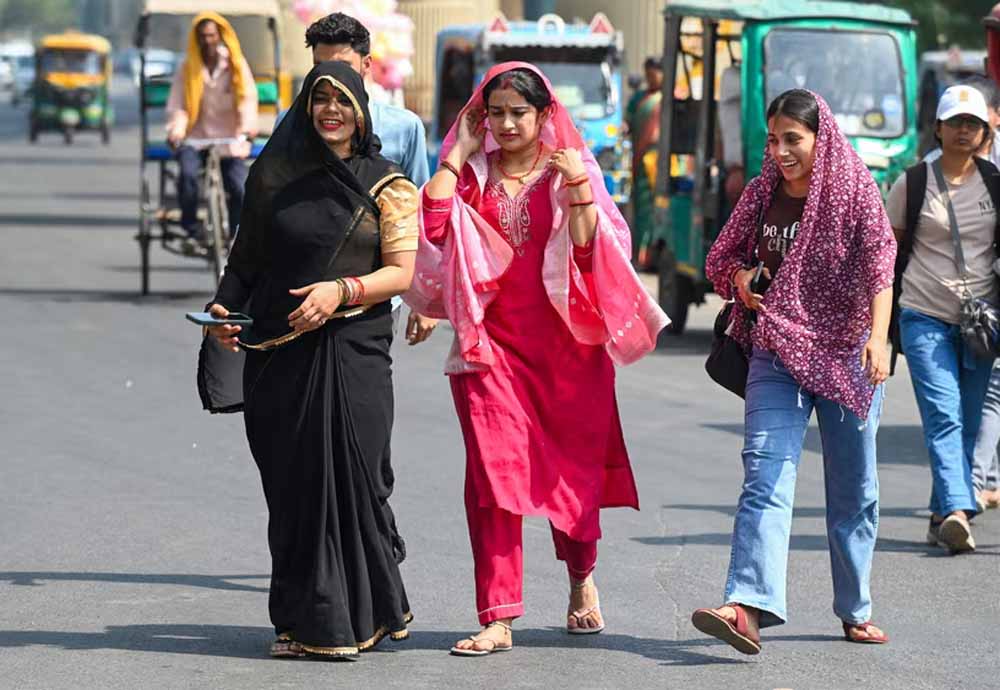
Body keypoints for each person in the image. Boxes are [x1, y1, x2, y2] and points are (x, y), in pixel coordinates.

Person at [406, 62, 668, 656]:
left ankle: (581, 575)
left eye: (518, 112)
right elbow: (435, 228)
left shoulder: (569, 169)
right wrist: (455, 156)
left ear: (544, 113)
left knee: (567, 476)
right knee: (492, 479)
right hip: (488, 347)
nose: (506, 124)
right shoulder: (471, 175)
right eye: (495, 113)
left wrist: (578, 187)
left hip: (568, 352)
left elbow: (594, 252)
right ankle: (498, 616)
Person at [204, 62, 418, 659]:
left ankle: (362, 615)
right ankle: (305, 622)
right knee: (294, 490)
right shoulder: (274, 174)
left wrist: (340, 291)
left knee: (358, 479)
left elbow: (401, 273)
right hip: (279, 356)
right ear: (305, 106)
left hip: (354, 351)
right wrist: (223, 310)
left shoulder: (389, 184)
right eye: (320, 99)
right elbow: (245, 260)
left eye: (342, 101)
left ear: (361, 111)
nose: (331, 111)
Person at [693, 89, 896, 655]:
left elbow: (880, 265)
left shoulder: (854, 190)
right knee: (765, 475)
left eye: (793, 140)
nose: (781, 152)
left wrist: (878, 339)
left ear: (819, 137)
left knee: (854, 492)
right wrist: (740, 280)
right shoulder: (762, 192)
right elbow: (721, 258)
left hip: (846, 356)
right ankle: (746, 606)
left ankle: (854, 607)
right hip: (774, 351)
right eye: (773, 140)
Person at [886, 85, 999, 554]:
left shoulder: (995, 183)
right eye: (955, 122)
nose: (964, 130)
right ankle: (958, 509)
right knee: (943, 416)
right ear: (938, 128)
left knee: (969, 422)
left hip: (981, 324)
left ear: (985, 132)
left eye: (973, 124)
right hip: (923, 315)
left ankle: (939, 517)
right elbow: (887, 253)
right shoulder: (912, 183)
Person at [305, 12, 438, 345]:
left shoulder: (403, 128)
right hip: (302, 293)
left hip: (375, 298)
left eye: (344, 67)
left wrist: (425, 298)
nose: (332, 79)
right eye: (321, 68)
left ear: (367, 65)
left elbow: (420, 215)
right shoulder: (292, 126)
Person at [166, 12, 258, 250]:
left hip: (229, 140)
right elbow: (178, 105)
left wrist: (247, 129)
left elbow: (247, 99)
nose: (207, 41)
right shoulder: (187, 67)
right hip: (195, 139)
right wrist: (177, 130)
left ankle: (236, 234)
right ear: (196, 38)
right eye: (203, 36)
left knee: (240, 187)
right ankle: (191, 230)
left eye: (211, 36)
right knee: (187, 176)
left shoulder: (236, 65)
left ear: (220, 37)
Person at [625, 56, 663, 268]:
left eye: (654, 74)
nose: (651, 79)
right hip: (642, 163)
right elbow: (627, 123)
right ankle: (639, 254)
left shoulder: (670, 98)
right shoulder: (639, 99)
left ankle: (652, 254)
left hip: (664, 163)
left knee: (659, 208)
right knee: (642, 209)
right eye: (647, 75)